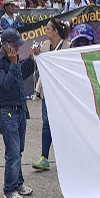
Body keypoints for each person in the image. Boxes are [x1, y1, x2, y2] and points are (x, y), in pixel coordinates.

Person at [0, 29, 36, 198]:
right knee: (13, 152)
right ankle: (9, 189)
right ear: (6, 44)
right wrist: (13, 62)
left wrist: (30, 62)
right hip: (7, 111)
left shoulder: (14, 59)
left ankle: (18, 183)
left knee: (19, 150)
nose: (18, 47)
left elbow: (21, 75)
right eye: (15, 44)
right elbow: (6, 84)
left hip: (19, 109)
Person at [32, 19, 70, 172]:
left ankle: (67, 157)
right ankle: (44, 158)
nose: (45, 31)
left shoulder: (68, 47)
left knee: (63, 124)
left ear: (56, 31)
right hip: (47, 90)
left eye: (48, 29)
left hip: (62, 92)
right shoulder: (44, 46)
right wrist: (35, 55)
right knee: (47, 123)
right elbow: (36, 62)